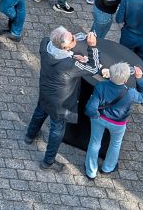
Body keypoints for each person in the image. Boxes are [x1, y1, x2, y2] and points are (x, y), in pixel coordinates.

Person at [26, 27, 99, 171]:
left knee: (40, 111)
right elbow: (94, 68)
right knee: (56, 129)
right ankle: (48, 161)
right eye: (72, 39)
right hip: (61, 102)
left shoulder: (45, 44)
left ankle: (29, 135)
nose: (75, 39)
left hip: (45, 92)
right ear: (64, 46)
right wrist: (92, 47)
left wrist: (70, 55)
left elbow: (55, 47)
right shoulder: (70, 66)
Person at [84, 62, 143, 179]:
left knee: (94, 143)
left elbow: (92, 107)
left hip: (100, 118)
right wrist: (139, 79)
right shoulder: (131, 93)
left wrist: (95, 115)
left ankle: (91, 171)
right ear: (125, 80)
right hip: (118, 124)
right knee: (115, 144)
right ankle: (107, 168)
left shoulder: (101, 86)